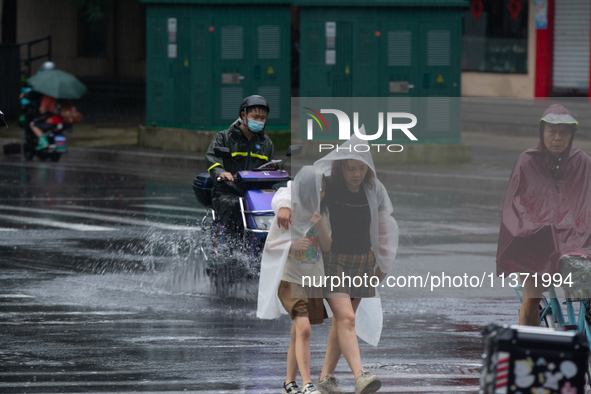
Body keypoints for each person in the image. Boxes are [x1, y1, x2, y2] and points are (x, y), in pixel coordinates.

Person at [271, 130, 399, 394]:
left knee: (343, 322)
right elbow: (296, 187)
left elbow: (386, 226)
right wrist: (284, 205)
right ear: (341, 166)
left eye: (361, 168)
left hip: (363, 261)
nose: (356, 174)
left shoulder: (373, 190)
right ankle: (360, 375)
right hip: (332, 261)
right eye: (351, 168)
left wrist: (383, 265)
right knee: (347, 318)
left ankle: (326, 377)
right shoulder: (328, 184)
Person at [496, 104, 591, 326]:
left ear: (572, 135)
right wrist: (538, 228)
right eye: (552, 131)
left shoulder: (583, 162)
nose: (558, 138)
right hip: (537, 242)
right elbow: (517, 207)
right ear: (542, 132)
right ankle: (526, 346)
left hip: (576, 243)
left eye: (564, 132)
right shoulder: (526, 162)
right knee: (531, 301)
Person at [258, 166, 330, 394]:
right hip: (291, 279)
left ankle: (289, 383)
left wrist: (320, 226)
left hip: (313, 280)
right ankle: (308, 384)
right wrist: (291, 245)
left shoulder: (323, 213)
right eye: (317, 190)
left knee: (298, 333)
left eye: (323, 190)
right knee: (305, 329)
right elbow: (270, 245)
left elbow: (327, 247)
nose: (320, 195)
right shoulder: (290, 211)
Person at [205, 95, 275, 238]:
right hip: (227, 192)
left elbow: (270, 167)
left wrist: (274, 170)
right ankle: (232, 249)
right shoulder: (223, 137)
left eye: (263, 118)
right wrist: (221, 172)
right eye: (256, 117)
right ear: (243, 115)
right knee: (235, 207)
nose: (260, 121)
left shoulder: (266, 143)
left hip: (255, 194)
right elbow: (212, 157)